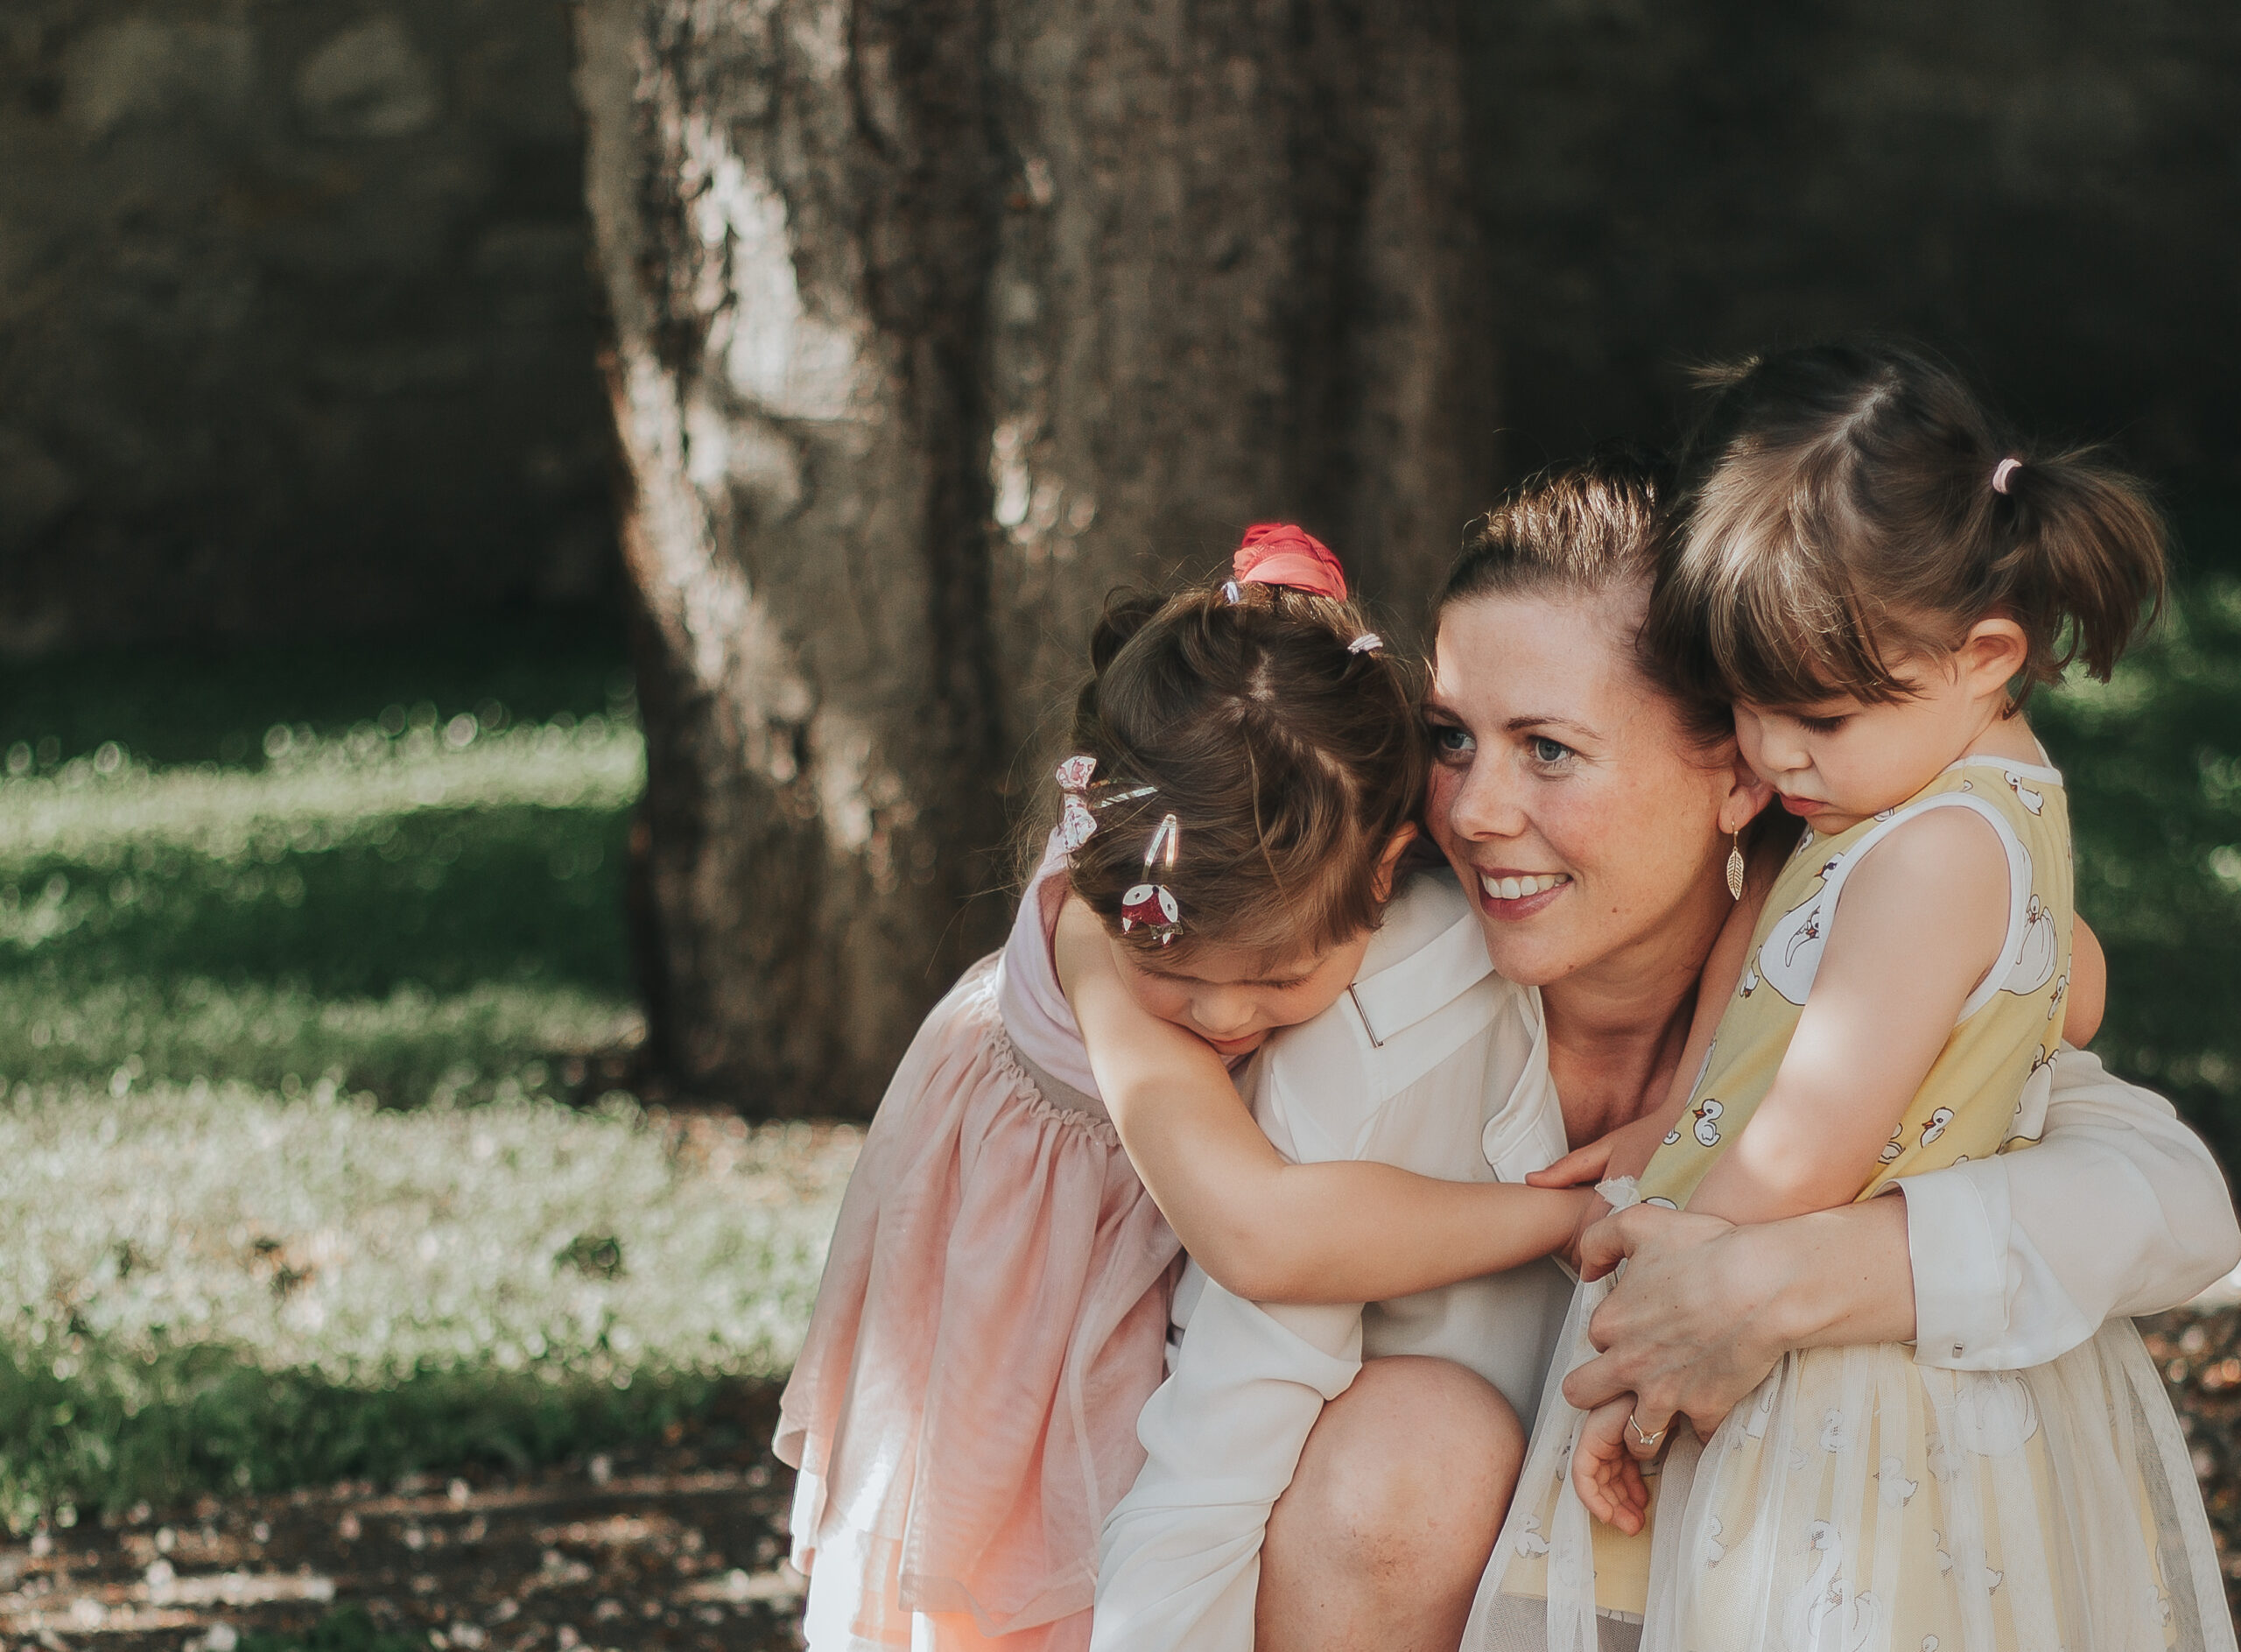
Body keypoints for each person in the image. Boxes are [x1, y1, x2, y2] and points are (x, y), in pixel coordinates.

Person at [1088, 454, 2239, 1652]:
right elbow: (1218, 1449)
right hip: (1394, 1580)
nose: (1473, 810)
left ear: (1742, 775)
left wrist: (1787, 1273)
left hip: (1743, 1581)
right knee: (1406, 1456)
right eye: (1451, 738)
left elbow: (2173, 1198)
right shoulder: (1363, 1004)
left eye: (1548, 749)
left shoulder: (1848, 966)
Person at [1472, 342, 2229, 1652]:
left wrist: (1656, 1324)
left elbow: (1809, 1150)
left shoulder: (1932, 853)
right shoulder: (1946, 799)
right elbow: (2070, 991)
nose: (1772, 753)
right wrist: (1685, 1110)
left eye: (1815, 717)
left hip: (1834, 1388)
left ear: (1984, 654)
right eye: (1745, 705)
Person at [775, 525, 1591, 1652]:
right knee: (1026, 1550)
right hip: (1036, 1257)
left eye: (1274, 980)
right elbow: (1262, 1231)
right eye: (1181, 977)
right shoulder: (1103, 940)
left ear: (1383, 873)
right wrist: (1565, 1215)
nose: (1220, 1019)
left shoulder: (1297, 878)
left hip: (1144, 1248)